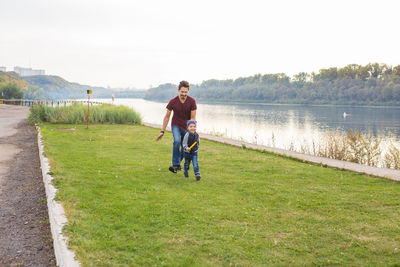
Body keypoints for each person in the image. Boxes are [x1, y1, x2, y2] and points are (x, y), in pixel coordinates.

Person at [155, 81, 197, 173]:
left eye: (186, 92)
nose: (184, 94)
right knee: (177, 141)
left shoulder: (192, 101)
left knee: (185, 147)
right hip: (176, 125)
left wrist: (192, 131)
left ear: (188, 92)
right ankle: (175, 165)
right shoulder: (173, 101)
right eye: (182, 92)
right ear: (178, 91)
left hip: (187, 127)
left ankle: (177, 165)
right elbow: (167, 117)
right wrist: (162, 131)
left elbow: (193, 118)